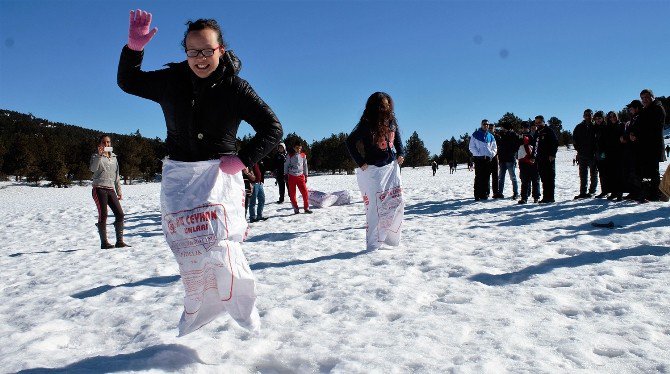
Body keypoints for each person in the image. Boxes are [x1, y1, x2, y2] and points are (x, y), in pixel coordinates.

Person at [117, 10, 282, 334]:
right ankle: (198, 306)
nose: (200, 58)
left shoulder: (236, 87)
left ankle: (241, 304)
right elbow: (129, 82)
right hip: (179, 177)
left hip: (219, 177)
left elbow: (272, 128)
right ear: (186, 52)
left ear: (220, 49)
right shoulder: (170, 82)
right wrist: (134, 49)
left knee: (222, 244)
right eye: (193, 51)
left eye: (207, 50)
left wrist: (243, 159)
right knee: (187, 248)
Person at [346, 92, 405, 251]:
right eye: (381, 105)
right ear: (374, 107)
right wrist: (361, 162)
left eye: (386, 105)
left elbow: (398, 139)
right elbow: (350, 141)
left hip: (391, 168)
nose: (384, 108)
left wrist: (401, 153)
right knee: (377, 207)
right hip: (374, 170)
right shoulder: (367, 123)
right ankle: (374, 243)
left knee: (397, 202)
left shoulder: (391, 120)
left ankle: (391, 239)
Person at [90, 135, 129, 249]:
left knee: (120, 214)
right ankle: (104, 243)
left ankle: (119, 242)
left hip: (111, 189)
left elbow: (116, 176)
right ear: (100, 144)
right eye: (104, 142)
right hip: (99, 188)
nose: (107, 144)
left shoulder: (114, 157)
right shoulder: (95, 156)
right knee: (104, 214)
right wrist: (99, 155)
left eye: (108, 142)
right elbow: (93, 169)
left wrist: (119, 191)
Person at [629, 88, 667, 202]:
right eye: (642, 98)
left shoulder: (658, 108)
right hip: (645, 146)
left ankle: (655, 194)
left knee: (654, 171)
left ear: (652, 96)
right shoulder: (645, 110)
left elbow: (653, 128)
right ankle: (650, 193)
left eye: (646, 97)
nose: (644, 100)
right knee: (648, 171)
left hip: (653, 146)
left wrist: (638, 135)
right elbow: (639, 126)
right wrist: (632, 134)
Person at [468, 119, 497, 201]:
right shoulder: (475, 134)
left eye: (487, 124)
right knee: (479, 177)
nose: (486, 126)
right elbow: (471, 147)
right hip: (479, 159)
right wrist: (477, 154)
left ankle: (485, 194)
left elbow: (494, 148)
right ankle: (477, 194)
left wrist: (491, 154)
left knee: (487, 177)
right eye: (484, 124)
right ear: (481, 125)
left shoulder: (491, 136)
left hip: (488, 159)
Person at [573, 109, 598, 199]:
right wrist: (578, 150)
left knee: (593, 174)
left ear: (592, 116)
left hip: (593, 155)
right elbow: (575, 140)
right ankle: (582, 192)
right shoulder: (579, 127)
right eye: (586, 115)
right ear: (583, 116)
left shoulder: (596, 126)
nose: (588, 116)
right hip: (582, 154)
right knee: (583, 175)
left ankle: (592, 191)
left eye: (590, 115)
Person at [533, 115, 558, 203]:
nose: (537, 124)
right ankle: (545, 197)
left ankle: (550, 197)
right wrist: (533, 156)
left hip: (548, 158)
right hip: (539, 158)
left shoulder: (548, 131)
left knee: (549, 178)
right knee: (543, 178)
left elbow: (555, 143)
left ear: (543, 122)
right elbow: (534, 146)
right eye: (536, 123)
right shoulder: (537, 132)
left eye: (539, 122)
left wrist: (552, 154)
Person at [285, 142, 312, 214]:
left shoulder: (303, 155)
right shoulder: (290, 155)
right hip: (291, 176)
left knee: (305, 192)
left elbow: (305, 166)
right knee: (292, 194)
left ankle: (306, 208)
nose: (299, 149)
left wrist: (306, 175)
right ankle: (296, 208)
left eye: (300, 148)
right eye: (297, 148)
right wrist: (285, 174)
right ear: (294, 148)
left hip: (300, 176)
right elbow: (286, 165)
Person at [517, 123, 540, 204]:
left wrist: (533, 157)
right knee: (524, 180)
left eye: (526, 127)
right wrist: (519, 137)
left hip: (532, 160)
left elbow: (535, 147)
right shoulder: (518, 136)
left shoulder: (532, 136)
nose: (524, 129)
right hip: (523, 161)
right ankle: (524, 197)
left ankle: (536, 197)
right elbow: (516, 145)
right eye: (523, 127)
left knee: (535, 180)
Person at [496, 123, 520, 199]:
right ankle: (500, 192)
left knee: (513, 177)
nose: (502, 129)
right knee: (501, 177)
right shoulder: (501, 135)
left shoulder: (513, 135)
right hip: (502, 159)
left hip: (510, 159)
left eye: (503, 128)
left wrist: (513, 152)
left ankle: (516, 193)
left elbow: (517, 145)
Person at [604, 111, 625, 201]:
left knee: (619, 173)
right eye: (610, 116)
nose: (612, 118)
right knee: (611, 173)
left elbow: (623, 137)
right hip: (610, 153)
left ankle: (620, 193)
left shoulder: (621, 125)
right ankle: (613, 192)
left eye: (614, 116)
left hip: (619, 152)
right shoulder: (608, 127)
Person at [592, 111, 610, 198]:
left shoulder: (606, 127)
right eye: (596, 119)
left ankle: (610, 190)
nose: (598, 120)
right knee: (601, 172)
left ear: (603, 118)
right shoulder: (594, 128)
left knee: (607, 171)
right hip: (597, 152)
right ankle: (604, 190)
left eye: (599, 118)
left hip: (605, 152)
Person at [488, 123, 502, 198]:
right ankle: (487, 192)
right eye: (489, 128)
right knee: (487, 175)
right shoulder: (485, 136)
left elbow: (500, 146)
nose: (490, 129)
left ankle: (495, 192)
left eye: (491, 128)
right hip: (486, 158)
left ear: (494, 128)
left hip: (495, 157)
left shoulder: (497, 137)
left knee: (495, 176)